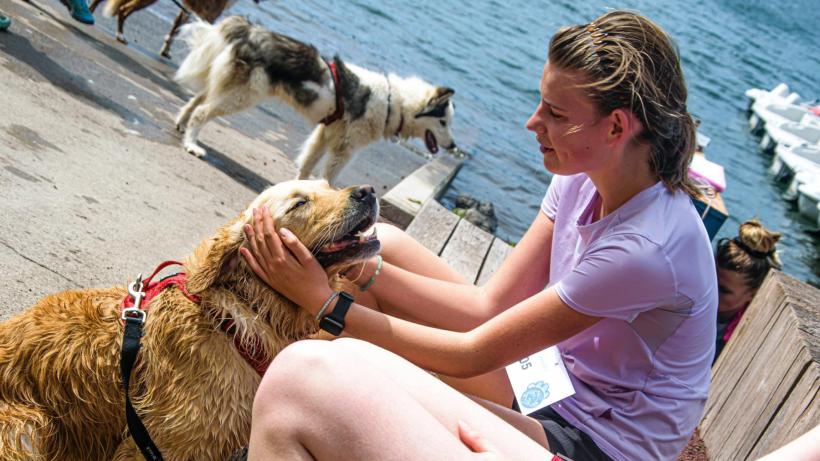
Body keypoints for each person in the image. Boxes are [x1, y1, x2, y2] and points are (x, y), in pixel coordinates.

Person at [240, 10, 717, 461]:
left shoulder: (647, 250)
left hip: (589, 442)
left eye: (554, 113)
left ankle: (292, 418)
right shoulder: (581, 176)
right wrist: (360, 267)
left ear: (616, 127)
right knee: (387, 243)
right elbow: (488, 308)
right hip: (549, 382)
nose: (533, 123)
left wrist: (327, 303)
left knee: (319, 372)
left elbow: (473, 354)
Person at [714, 219, 782, 360]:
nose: (711, 292)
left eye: (723, 290)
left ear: (753, 294)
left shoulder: (749, 336)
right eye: (710, 280)